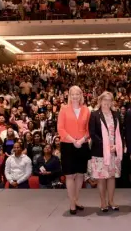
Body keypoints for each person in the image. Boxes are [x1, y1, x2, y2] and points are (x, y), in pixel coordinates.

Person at [57, 85, 91, 215]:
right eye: (73, 94)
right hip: (67, 144)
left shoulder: (86, 110)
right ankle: (72, 203)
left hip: (82, 143)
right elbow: (60, 128)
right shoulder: (63, 109)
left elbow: (89, 129)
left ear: (81, 95)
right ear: (69, 96)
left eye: (78, 94)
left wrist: (82, 140)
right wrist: (73, 140)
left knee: (80, 174)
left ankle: (76, 200)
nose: (75, 96)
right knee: (70, 175)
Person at [88, 91, 123, 212]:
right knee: (102, 178)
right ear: (100, 101)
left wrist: (117, 146)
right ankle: (103, 202)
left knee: (111, 177)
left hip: (114, 151)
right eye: (105, 100)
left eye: (109, 100)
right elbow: (93, 134)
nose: (107, 102)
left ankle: (111, 201)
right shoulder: (94, 114)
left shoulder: (116, 114)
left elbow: (120, 133)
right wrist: (106, 146)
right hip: (100, 151)